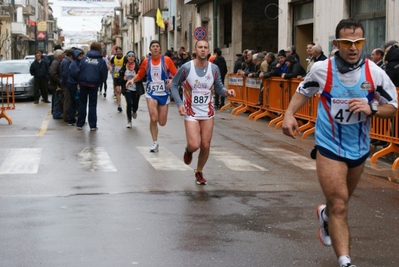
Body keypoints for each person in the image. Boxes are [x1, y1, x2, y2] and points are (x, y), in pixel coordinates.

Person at [282, 18, 397, 267]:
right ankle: (345, 261)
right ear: (337, 43)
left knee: (339, 203)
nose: (353, 47)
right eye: (347, 42)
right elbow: (304, 90)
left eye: (358, 42)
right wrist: (289, 114)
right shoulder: (322, 69)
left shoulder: (375, 73)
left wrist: (371, 108)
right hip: (329, 145)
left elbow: (393, 107)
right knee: (340, 203)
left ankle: (325, 215)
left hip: (359, 148)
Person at [170, 39, 236, 185]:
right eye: (200, 47)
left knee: (205, 145)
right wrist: (179, 104)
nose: (203, 50)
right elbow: (174, 85)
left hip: (207, 112)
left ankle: (199, 171)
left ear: (209, 50)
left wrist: (227, 92)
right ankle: (188, 150)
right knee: (194, 145)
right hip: (191, 112)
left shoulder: (214, 68)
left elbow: (218, 87)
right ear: (195, 49)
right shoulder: (186, 67)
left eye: (205, 47)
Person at [126, 40, 177, 152]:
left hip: (163, 93)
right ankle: (155, 143)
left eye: (157, 46)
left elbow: (176, 73)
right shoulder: (146, 61)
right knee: (153, 118)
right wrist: (132, 80)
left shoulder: (166, 60)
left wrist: (172, 81)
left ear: (160, 49)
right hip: (151, 93)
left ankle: (158, 118)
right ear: (150, 49)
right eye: (153, 46)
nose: (155, 48)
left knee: (162, 122)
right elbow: (140, 74)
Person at [76, 42, 108, 131]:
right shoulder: (101, 60)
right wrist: (101, 82)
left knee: (82, 104)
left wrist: (79, 81)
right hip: (93, 84)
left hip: (83, 83)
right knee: (92, 104)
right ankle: (93, 125)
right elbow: (104, 73)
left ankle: (80, 124)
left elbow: (79, 70)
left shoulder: (84, 58)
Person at [118, 51, 144, 128]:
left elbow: (143, 78)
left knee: (135, 104)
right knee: (129, 104)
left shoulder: (138, 67)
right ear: (127, 57)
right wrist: (123, 78)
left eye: (133, 56)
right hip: (127, 89)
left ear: (135, 58)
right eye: (129, 56)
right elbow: (118, 79)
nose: (131, 57)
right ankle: (129, 121)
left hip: (136, 89)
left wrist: (136, 79)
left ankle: (134, 111)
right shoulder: (124, 68)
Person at [67, 49, 84, 126]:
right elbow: (76, 74)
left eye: (82, 55)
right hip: (74, 85)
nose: (82, 57)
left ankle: (71, 119)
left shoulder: (77, 63)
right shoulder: (74, 64)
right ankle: (79, 120)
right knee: (78, 102)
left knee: (74, 102)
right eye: (80, 56)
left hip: (74, 84)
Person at [49, 49, 65, 119]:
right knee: (57, 99)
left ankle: (55, 112)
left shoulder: (56, 62)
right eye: (62, 55)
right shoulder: (56, 62)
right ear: (59, 56)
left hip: (55, 85)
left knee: (56, 98)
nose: (63, 56)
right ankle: (57, 113)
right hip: (56, 85)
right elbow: (52, 73)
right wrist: (59, 81)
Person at [60, 49, 74, 123]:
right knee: (67, 101)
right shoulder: (66, 62)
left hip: (66, 84)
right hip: (66, 84)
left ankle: (67, 116)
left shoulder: (66, 61)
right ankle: (67, 116)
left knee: (67, 100)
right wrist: (68, 83)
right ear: (71, 55)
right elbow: (65, 74)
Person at [110, 46, 124, 111]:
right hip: (116, 76)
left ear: (121, 51)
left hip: (123, 77)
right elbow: (110, 63)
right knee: (118, 91)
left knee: (125, 92)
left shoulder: (125, 58)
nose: (118, 52)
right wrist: (110, 68)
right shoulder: (114, 58)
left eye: (119, 51)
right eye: (117, 51)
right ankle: (119, 105)